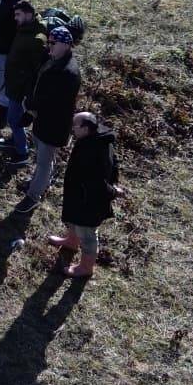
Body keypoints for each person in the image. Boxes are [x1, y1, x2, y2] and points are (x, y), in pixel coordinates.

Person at [16, 24, 82, 213]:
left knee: (44, 162)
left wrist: (32, 109)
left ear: (67, 45)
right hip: (40, 120)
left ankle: (33, 196)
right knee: (42, 157)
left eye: (54, 42)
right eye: (49, 41)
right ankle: (40, 181)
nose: (49, 46)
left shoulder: (68, 72)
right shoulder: (52, 60)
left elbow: (55, 103)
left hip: (53, 125)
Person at [50, 112, 120, 278]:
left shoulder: (95, 148)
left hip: (89, 201)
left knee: (88, 234)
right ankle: (72, 242)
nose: (72, 129)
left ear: (86, 128)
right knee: (74, 220)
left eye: (75, 126)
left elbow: (98, 183)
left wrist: (114, 191)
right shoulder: (94, 137)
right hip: (78, 195)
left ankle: (86, 267)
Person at [0, 2, 47, 162]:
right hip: (14, 83)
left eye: (18, 15)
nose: (15, 18)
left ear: (29, 14)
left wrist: (26, 93)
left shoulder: (37, 38)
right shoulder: (26, 29)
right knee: (13, 119)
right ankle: (15, 141)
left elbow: (36, 71)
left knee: (14, 120)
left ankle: (22, 152)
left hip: (20, 88)